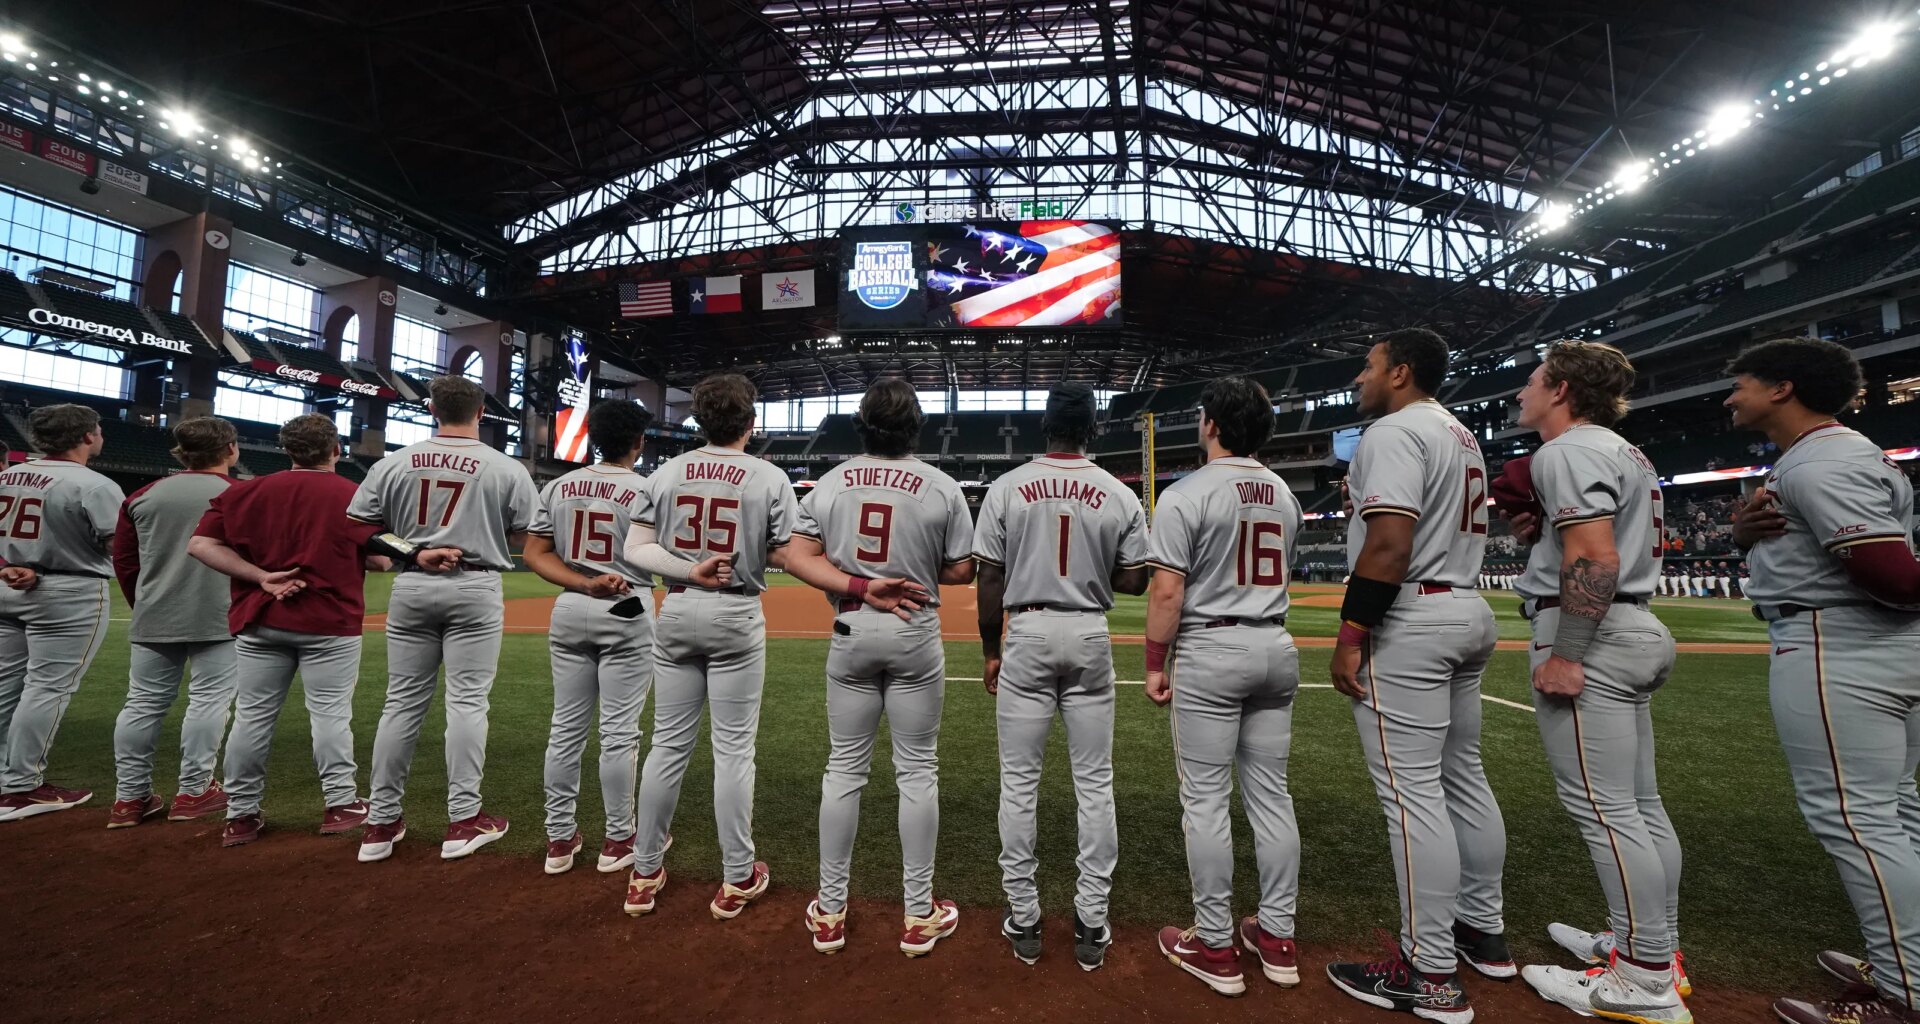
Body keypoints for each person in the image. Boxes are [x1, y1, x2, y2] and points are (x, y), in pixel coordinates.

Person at [1723, 338, 1920, 1024]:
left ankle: (1907, 990)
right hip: (1876, 644)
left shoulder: (1820, 463)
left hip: (1838, 641)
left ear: (1782, 389)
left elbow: (1896, 578)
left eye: (1742, 383)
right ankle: (1907, 958)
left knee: (1858, 822)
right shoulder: (1835, 454)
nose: (1730, 396)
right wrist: (1748, 538)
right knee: (1896, 814)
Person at [1504, 342, 1691, 1023]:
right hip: (1636, 625)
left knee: (1607, 812)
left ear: (1559, 389)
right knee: (1639, 805)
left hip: (1594, 631)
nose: (1522, 392)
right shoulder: (1622, 450)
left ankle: (1643, 981)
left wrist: (1569, 652)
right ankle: (1656, 950)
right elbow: (1586, 542)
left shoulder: (1567, 451)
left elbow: (1595, 555)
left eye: (1531, 381)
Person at [1325, 329, 1508, 1022]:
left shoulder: (1394, 431)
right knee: (1462, 778)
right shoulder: (1460, 433)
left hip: (1414, 616)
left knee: (1412, 797)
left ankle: (1428, 972)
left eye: (1367, 365)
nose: (1358, 377)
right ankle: (1482, 933)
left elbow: (1390, 542)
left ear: (1400, 373)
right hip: (1465, 605)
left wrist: (1351, 634)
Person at [782, 379, 972, 957]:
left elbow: (795, 555)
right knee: (917, 772)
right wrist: (913, 567)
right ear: (917, 427)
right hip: (914, 629)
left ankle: (831, 911)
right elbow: (963, 571)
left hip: (851, 625)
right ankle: (918, 915)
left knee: (844, 770)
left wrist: (860, 583)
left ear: (861, 424)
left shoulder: (830, 482)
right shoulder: (942, 486)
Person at [974, 382, 1148, 971]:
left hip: (1025, 630)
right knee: (1094, 783)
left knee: (1019, 783)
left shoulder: (1007, 487)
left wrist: (990, 649)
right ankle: (1091, 921)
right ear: (1092, 430)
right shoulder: (1118, 492)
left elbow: (990, 579)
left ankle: (1024, 917)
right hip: (1090, 632)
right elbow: (1134, 582)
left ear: (1045, 426)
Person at [1142, 376, 1302, 998]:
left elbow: (1167, 590)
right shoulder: (1285, 493)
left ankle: (1214, 944)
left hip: (1212, 646)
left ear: (1210, 423)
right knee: (1272, 797)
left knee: (1205, 801)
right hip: (1275, 644)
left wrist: (1156, 661)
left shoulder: (1188, 492)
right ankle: (1279, 938)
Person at [521, 399, 728, 876]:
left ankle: (558, 839)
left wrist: (581, 581)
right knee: (618, 731)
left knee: (565, 728)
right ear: (639, 442)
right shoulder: (648, 487)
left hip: (572, 604)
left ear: (595, 438)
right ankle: (618, 840)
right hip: (628, 603)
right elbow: (668, 554)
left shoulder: (560, 484)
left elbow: (535, 552)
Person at [622, 373, 798, 920]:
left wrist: (689, 571)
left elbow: (636, 549)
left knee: (667, 745)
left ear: (700, 420)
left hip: (675, 604)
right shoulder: (770, 476)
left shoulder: (665, 472)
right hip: (735, 611)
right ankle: (737, 876)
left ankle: (644, 871)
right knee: (733, 751)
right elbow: (786, 554)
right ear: (750, 422)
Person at [347, 376, 540, 863]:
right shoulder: (504, 465)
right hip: (475, 584)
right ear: (481, 411)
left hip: (412, 583)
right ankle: (463, 821)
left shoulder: (393, 462)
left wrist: (415, 548)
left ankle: (380, 825)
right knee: (468, 703)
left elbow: (358, 528)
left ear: (432, 409)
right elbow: (526, 537)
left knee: (401, 704)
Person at [189, 413, 383, 845]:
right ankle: (340, 804)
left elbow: (200, 544)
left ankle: (240, 815)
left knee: (252, 718)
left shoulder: (247, 491)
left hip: (262, 616)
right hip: (329, 620)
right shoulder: (353, 494)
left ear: (288, 450)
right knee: (330, 715)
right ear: (335, 450)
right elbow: (382, 558)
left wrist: (261, 575)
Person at [107, 416, 240, 827]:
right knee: (209, 702)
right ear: (231, 450)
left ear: (181, 452)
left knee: (142, 704)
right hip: (220, 613)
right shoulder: (241, 494)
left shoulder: (145, 495)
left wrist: (143, 603)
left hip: (156, 612)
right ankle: (194, 792)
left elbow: (125, 562)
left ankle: (129, 799)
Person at [0, 405, 123, 820]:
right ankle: (20, 787)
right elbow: (119, 547)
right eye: (99, 428)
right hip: (68, 590)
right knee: (48, 688)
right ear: (87, 436)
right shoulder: (94, 484)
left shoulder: (6, 476)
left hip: (6, 583)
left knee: (4, 687)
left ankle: (8, 779)